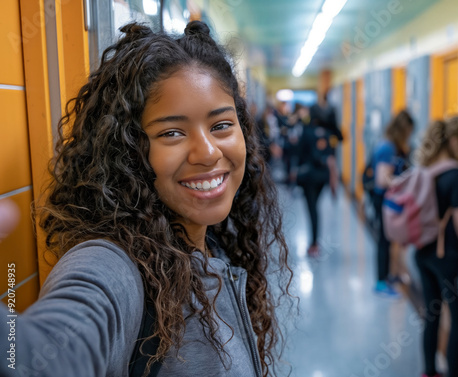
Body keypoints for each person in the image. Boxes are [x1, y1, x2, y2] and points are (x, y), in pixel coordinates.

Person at [0, 21, 293, 377]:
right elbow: (38, 359)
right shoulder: (113, 264)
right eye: (172, 132)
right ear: (129, 153)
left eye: (220, 125)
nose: (208, 152)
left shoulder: (215, 244)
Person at [415, 117, 458, 377]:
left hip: (423, 252)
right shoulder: (456, 175)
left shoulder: (427, 168)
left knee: (431, 316)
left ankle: (429, 371)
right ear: (456, 142)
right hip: (449, 256)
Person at [372, 110, 414, 296]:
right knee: (384, 239)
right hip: (382, 198)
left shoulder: (395, 147)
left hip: (388, 199)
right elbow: (382, 179)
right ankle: (381, 281)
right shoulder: (387, 148)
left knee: (390, 238)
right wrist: (403, 181)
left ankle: (390, 275)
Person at [295, 98, 340, 257]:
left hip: (309, 177)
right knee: (316, 208)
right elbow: (336, 145)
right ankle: (315, 242)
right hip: (323, 177)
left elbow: (299, 153)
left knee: (312, 209)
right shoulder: (327, 133)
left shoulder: (306, 131)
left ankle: (313, 243)